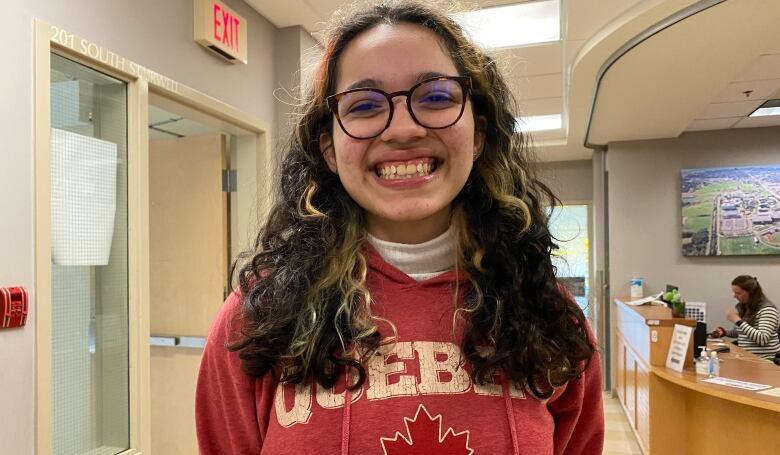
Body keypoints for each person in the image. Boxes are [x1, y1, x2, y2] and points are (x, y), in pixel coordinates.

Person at [195, 2, 604, 454]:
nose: (403, 129)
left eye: (435, 97)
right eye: (365, 105)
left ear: (479, 134)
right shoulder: (255, 318)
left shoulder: (550, 317)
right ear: (329, 149)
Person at [710, 275, 780, 360]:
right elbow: (741, 333)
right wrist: (724, 332)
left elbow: (762, 339)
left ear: (751, 293)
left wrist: (737, 320)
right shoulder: (745, 308)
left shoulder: (767, 310)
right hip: (746, 357)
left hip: (765, 361)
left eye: (738, 293)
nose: (734, 296)